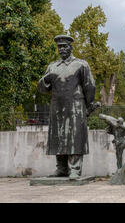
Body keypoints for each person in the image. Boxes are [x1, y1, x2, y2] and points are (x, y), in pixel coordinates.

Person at [38, 35, 96, 179]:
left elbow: (89, 85)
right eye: (59, 47)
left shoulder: (81, 64)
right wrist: (45, 79)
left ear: (71, 47)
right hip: (57, 106)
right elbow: (43, 89)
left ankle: (75, 168)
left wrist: (88, 106)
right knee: (58, 137)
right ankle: (62, 168)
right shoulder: (52, 66)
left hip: (76, 105)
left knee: (75, 137)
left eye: (64, 46)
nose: (62, 49)